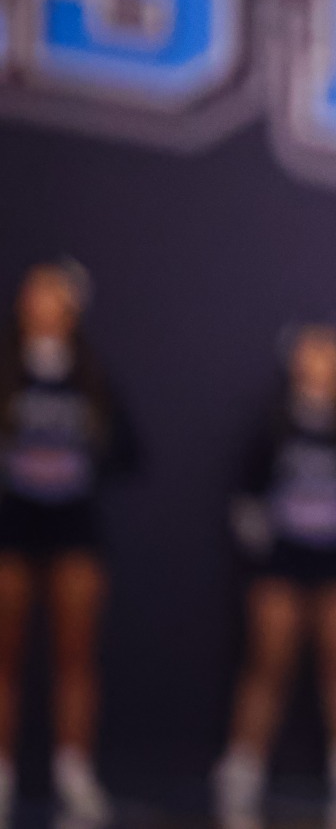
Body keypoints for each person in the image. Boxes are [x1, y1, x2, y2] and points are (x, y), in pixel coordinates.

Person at [213, 320, 336, 829]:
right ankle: (242, 768)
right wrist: (263, 536)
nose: (319, 365)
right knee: (268, 660)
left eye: (329, 355)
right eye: (311, 354)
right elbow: (247, 491)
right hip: (282, 562)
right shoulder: (273, 424)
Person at [0, 260, 134, 827]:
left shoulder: (91, 376)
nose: (44, 303)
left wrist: (79, 462)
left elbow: (127, 450)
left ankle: (74, 771)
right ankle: (1, 774)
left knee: (75, 656)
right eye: (36, 292)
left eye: (56, 295)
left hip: (74, 529)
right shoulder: (6, 370)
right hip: (12, 525)